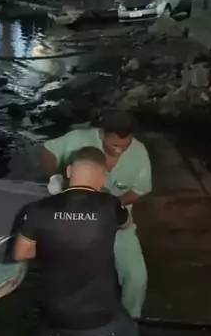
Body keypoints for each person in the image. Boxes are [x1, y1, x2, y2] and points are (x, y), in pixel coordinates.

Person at [13, 146, 165, 336]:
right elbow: (126, 224)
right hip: (102, 316)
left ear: (69, 172)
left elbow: (21, 253)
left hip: (56, 316)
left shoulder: (38, 209)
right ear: (103, 177)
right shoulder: (110, 205)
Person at [40, 110, 151, 318]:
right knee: (73, 277)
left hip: (116, 219)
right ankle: (68, 319)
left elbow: (139, 190)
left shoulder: (139, 153)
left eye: (125, 146)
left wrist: (109, 206)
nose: (119, 150)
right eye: (114, 145)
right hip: (77, 219)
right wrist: (54, 178)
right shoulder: (78, 139)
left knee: (137, 278)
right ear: (103, 133)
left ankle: (131, 320)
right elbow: (47, 151)